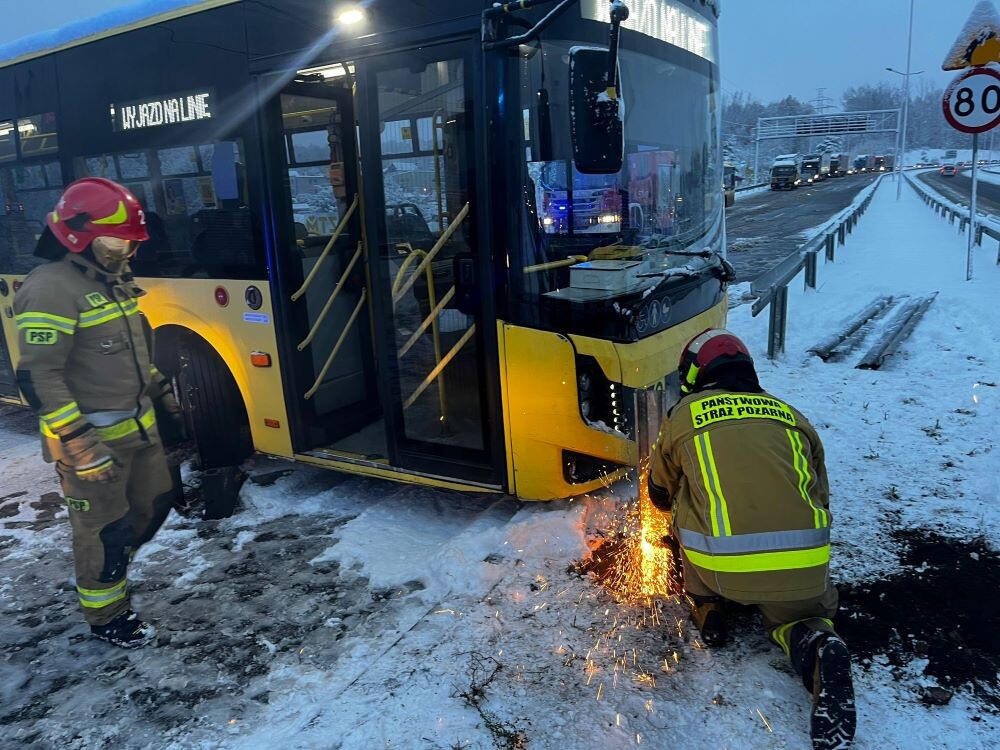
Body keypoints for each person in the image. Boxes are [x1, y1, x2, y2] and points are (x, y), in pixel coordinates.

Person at [648, 328, 856, 750]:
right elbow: (821, 496)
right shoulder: (791, 415)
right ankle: (815, 642)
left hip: (721, 566)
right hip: (804, 567)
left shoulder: (684, 415)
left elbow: (659, 491)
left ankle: (707, 604)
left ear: (695, 373)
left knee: (687, 497)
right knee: (800, 619)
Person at [13, 177, 185, 648]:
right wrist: (80, 445)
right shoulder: (50, 288)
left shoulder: (111, 281)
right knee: (105, 532)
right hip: (91, 446)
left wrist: (165, 401)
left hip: (138, 435)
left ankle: (106, 572)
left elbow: (135, 355)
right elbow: (40, 377)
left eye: (131, 244)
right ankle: (107, 614)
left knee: (154, 506)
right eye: (116, 243)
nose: (126, 253)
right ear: (77, 235)